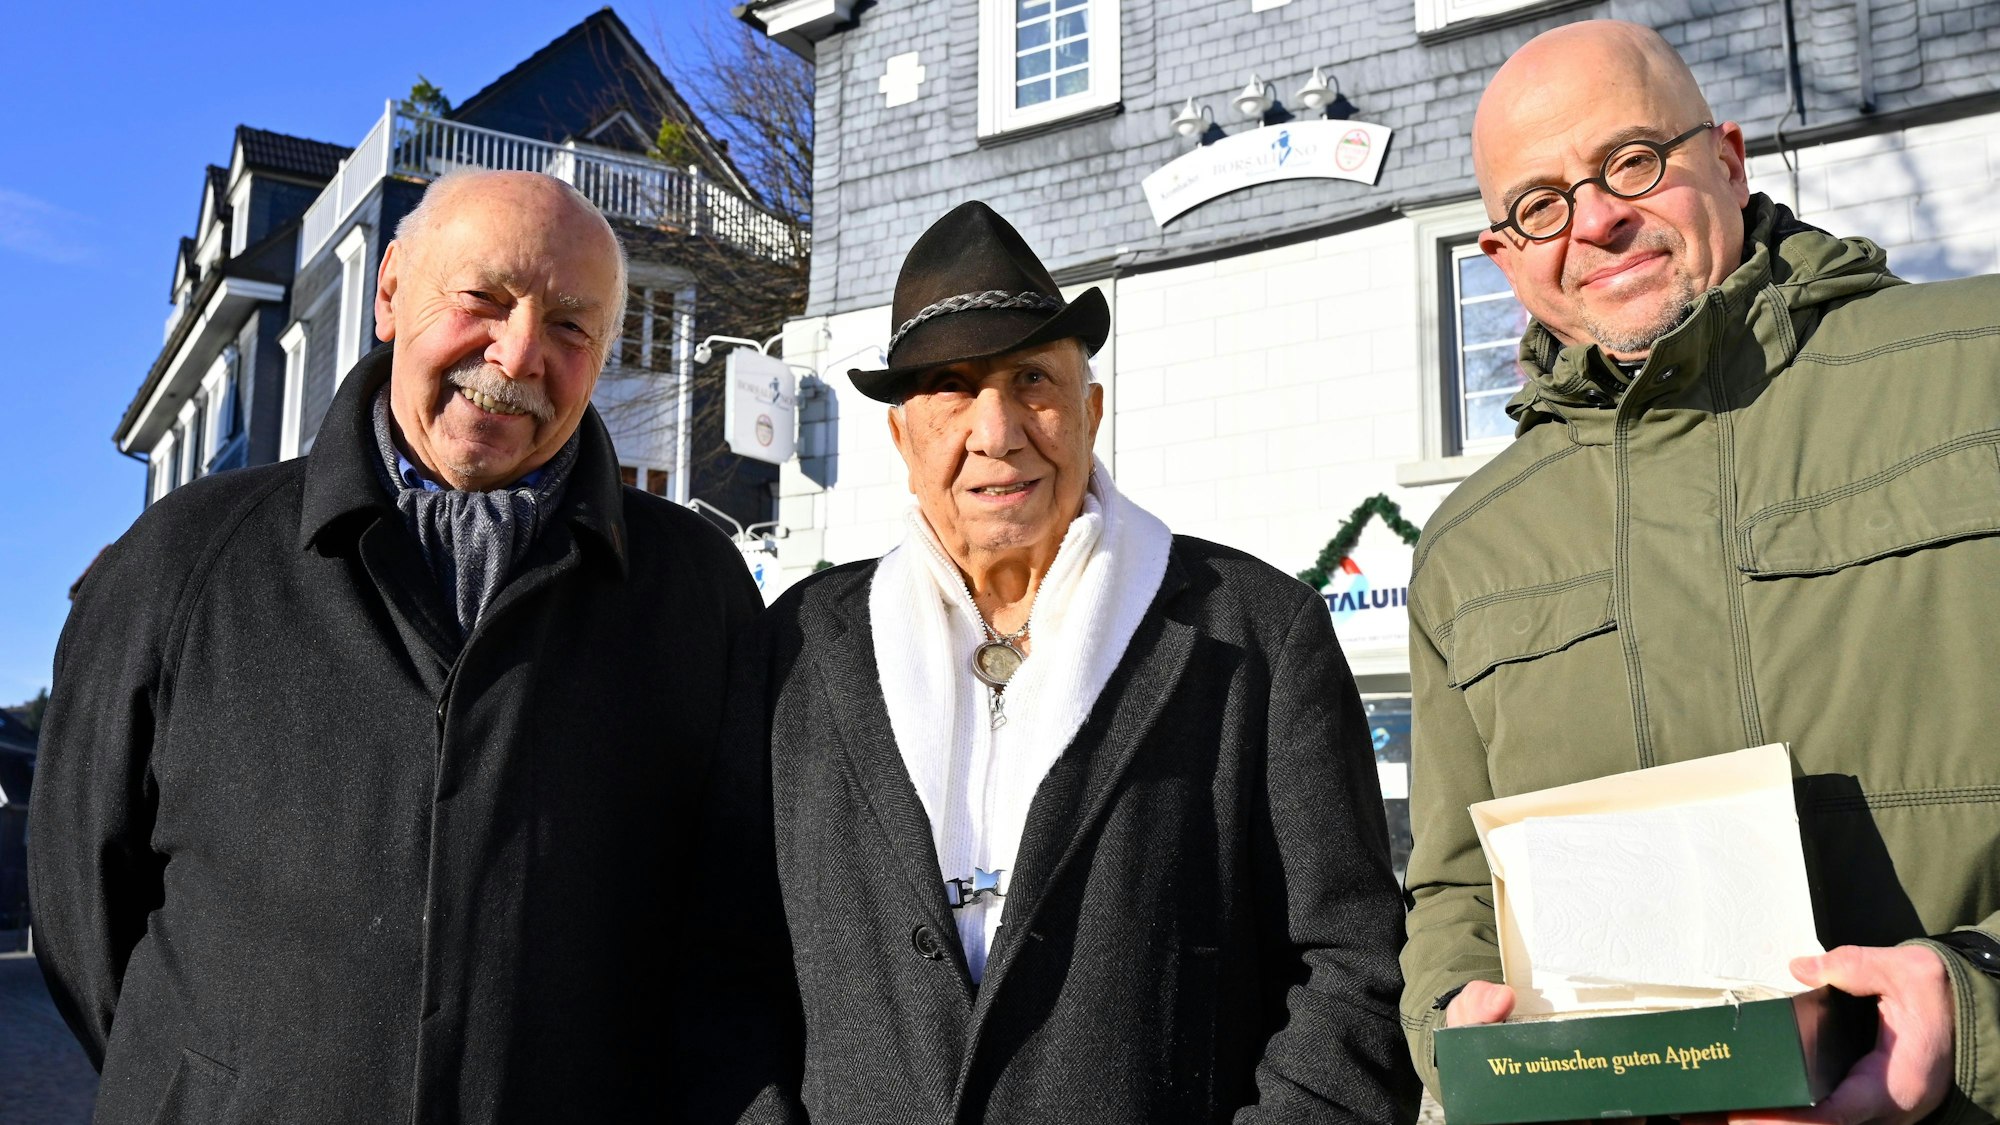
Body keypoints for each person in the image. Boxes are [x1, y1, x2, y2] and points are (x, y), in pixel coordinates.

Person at [30, 170, 762, 1122]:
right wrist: (216, 1086)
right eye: (483, 298)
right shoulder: (184, 560)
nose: (519, 352)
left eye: (571, 326)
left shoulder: (698, 590)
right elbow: (83, 915)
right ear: (387, 295)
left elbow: (733, 932)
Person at [680, 201, 1419, 1123]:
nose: (997, 431)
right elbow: (719, 967)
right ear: (902, 438)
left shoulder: (1258, 634)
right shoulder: (795, 646)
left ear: (1089, 411)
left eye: (1032, 379)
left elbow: (1353, 967)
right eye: (951, 387)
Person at [1400, 19, 2000, 1124]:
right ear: (1502, 257)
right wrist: (1459, 1035)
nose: (1594, 220)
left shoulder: (1980, 371)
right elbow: (1452, 895)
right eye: (1540, 205)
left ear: (1726, 161)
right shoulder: (1467, 549)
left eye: (1631, 161)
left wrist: (1979, 1005)